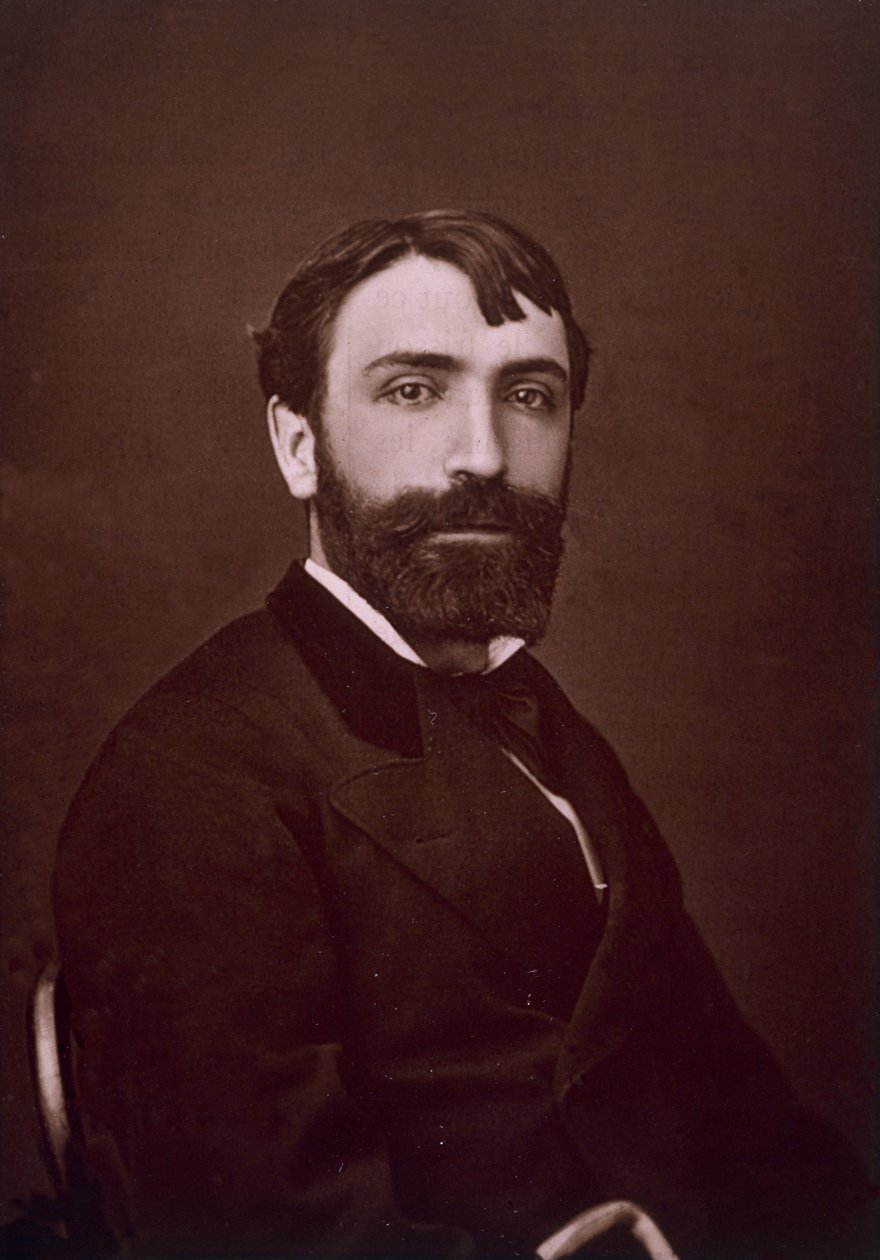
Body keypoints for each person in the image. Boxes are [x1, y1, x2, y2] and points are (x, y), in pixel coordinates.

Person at [53, 210, 867, 1259]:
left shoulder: (546, 726)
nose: (484, 455)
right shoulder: (187, 777)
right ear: (298, 445)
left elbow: (755, 1134)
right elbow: (273, 1236)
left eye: (530, 395)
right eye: (413, 390)